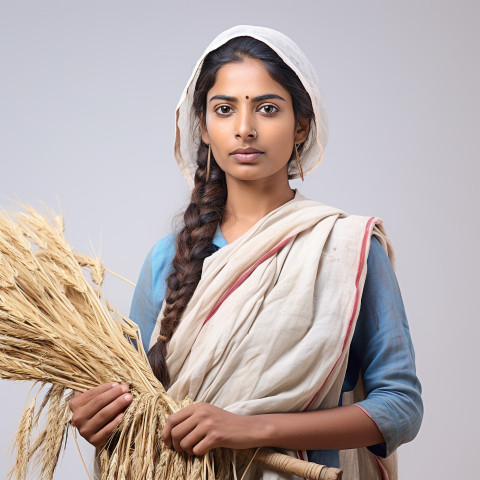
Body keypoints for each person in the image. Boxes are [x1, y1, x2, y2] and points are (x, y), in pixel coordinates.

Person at [69, 25, 423, 479]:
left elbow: (400, 408)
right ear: (204, 126)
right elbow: (141, 404)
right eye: (224, 109)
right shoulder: (167, 259)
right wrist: (101, 415)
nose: (245, 129)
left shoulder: (346, 249)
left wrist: (253, 428)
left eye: (268, 109)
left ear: (301, 125)